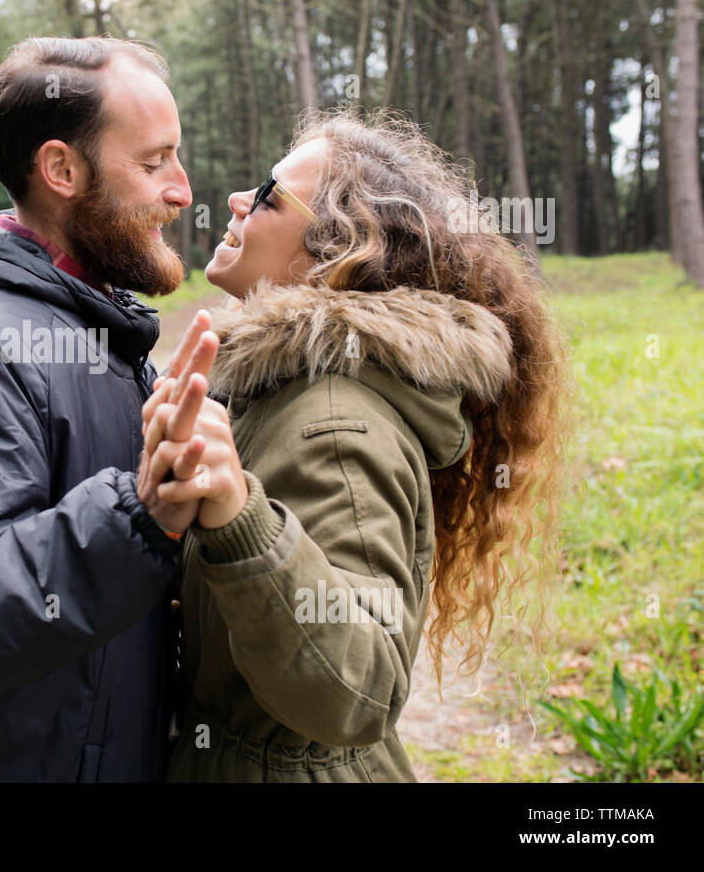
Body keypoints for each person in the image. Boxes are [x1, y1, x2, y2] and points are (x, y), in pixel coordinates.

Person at [137, 109, 572, 781]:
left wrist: (237, 516)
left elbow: (356, 690)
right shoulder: (279, 390)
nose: (234, 200)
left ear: (334, 254)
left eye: (268, 194)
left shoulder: (333, 419)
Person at [0, 35, 208, 781]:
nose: (183, 189)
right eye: (154, 162)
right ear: (61, 169)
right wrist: (139, 516)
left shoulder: (95, 325)